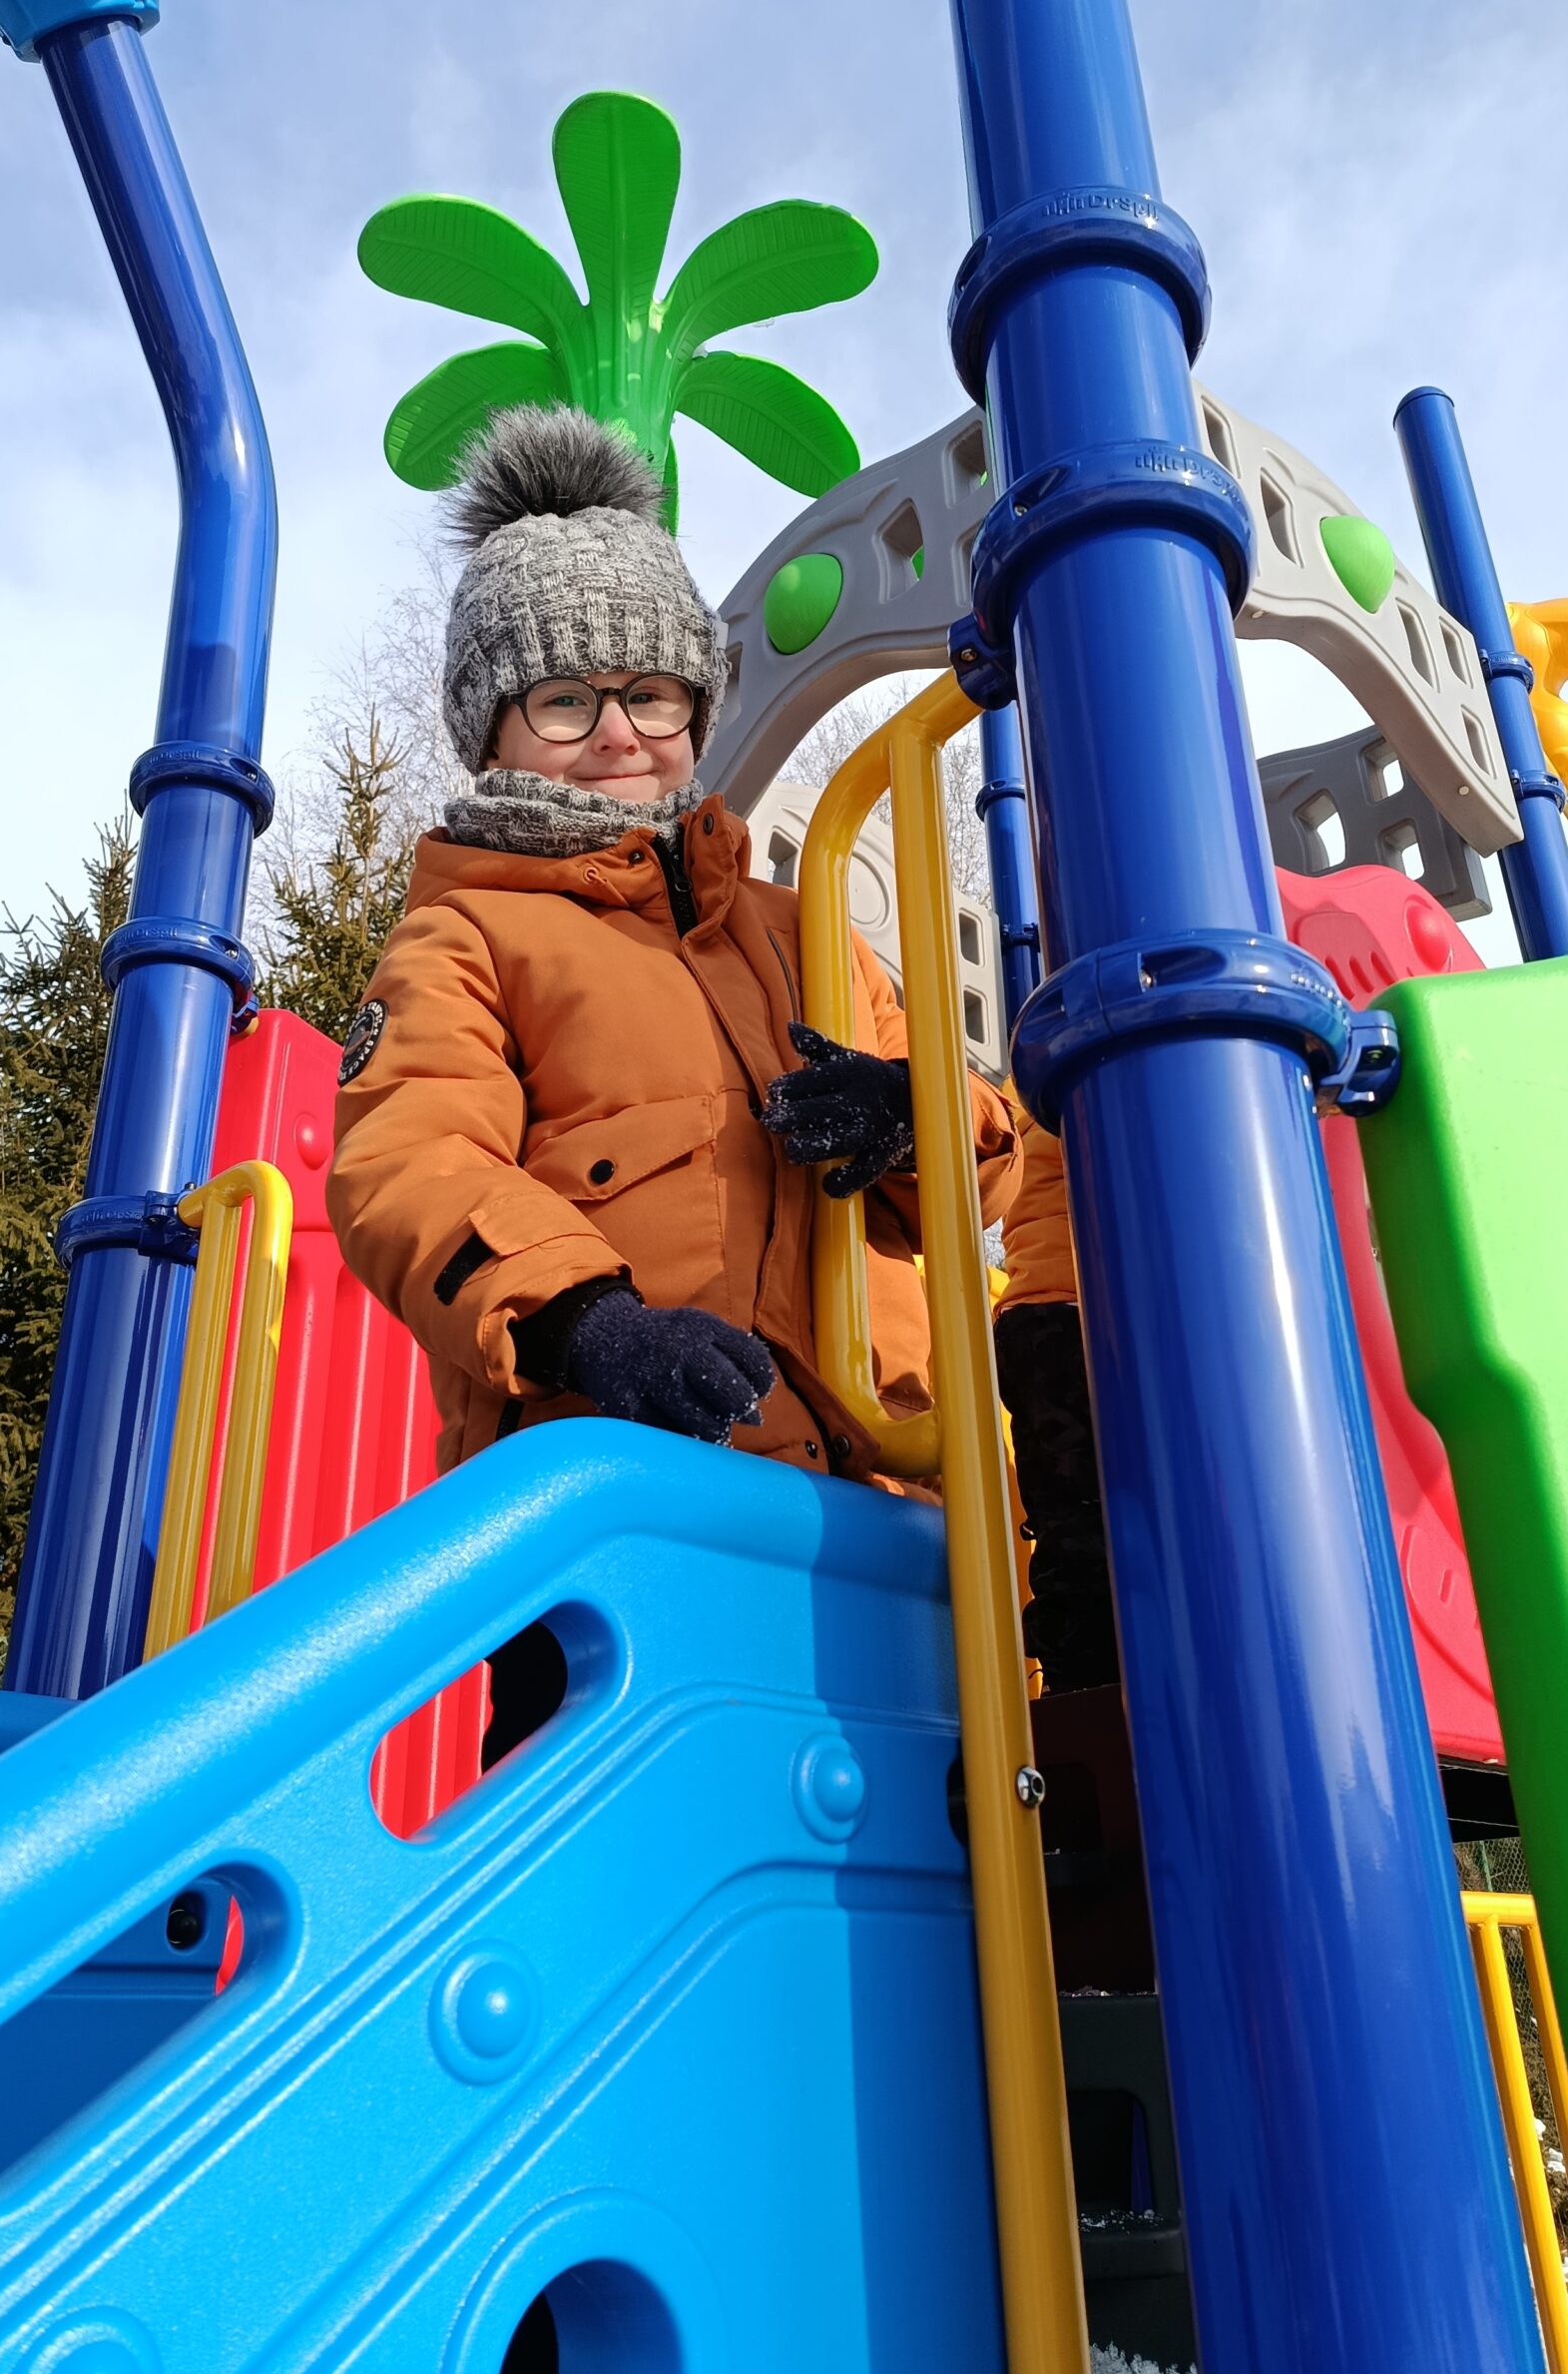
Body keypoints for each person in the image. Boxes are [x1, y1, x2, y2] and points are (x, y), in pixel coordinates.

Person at [328, 403, 1020, 1488]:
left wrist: (913, 1116)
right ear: (490, 732)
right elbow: (411, 1161)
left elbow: (983, 1183)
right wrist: (586, 1324)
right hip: (632, 1481)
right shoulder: (469, 935)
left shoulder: (806, 928)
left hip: (890, 1486)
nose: (618, 733)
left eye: (651, 695)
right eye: (565, 701)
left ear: (695, 713)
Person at [993, 1107, 1119, 1692]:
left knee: (1074, 1529)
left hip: (1039, 1318)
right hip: (1084, 1311)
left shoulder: (1030, 1097)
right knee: (1095, 1529)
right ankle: (1089, 1684)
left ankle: (1077, 1682)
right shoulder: (1079, 1090)